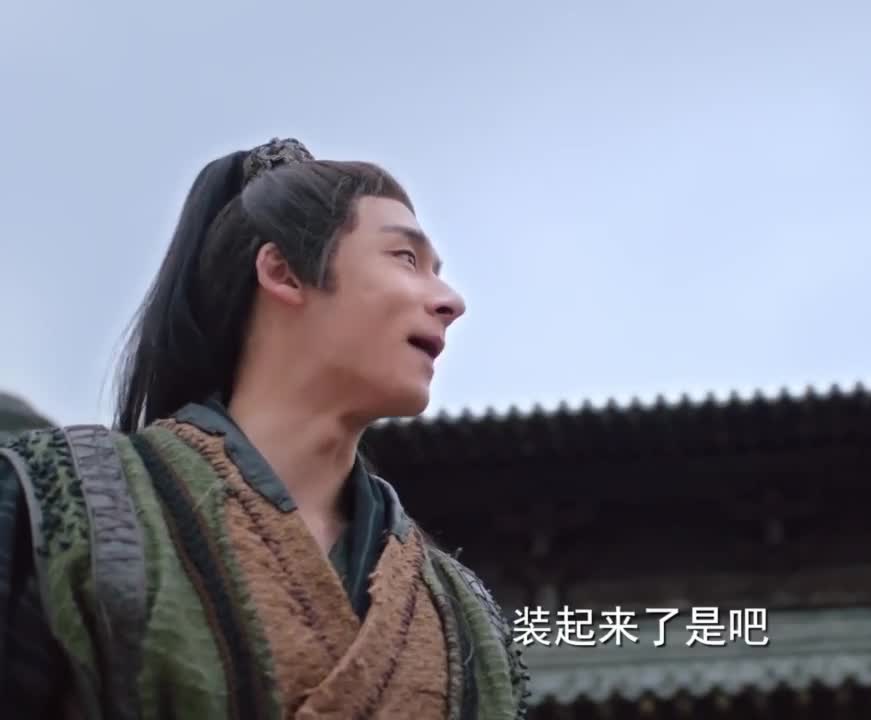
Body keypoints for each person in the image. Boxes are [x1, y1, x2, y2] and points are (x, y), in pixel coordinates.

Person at [0, 138, 531, 718]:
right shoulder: (58, 509)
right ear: (283, 272)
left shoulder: (463, 613)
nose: (451, 301)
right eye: (406, 258)